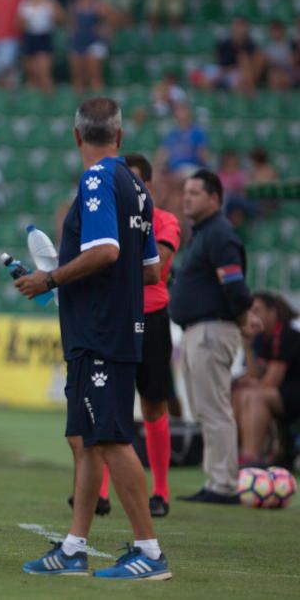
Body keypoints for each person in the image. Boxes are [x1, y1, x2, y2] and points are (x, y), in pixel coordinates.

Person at [16, 97, 170, 579]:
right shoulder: (138, 187)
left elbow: (104, 251)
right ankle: (74, 546)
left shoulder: (98, 178)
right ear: (120, 137)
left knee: (110, 438)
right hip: (112, 325)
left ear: (77, 136)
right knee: (87, 439)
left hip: (100, 331)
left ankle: (149, 551)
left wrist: (52, 279)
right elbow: (149, 271)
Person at [98, 154, 181, 518]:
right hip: (115, 316)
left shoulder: (164, 221)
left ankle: (159, 491)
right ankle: (101, 492)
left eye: (133, 184)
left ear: (146, 185)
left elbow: (157, 267)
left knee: (153, 404)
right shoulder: (107, 222)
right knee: (109, 402)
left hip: (151, 318)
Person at [170, 170, 259, 503]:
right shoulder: (205, 234)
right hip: (198, 331)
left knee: (215, 407)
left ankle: (223, 484)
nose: (186, 197)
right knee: (205, 408)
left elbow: (234, 285)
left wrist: (243, 313)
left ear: (214, 198)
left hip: (212, 329)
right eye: (185, 192)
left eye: (195, 192)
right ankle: (215, 480)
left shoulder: (220, 234)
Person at [236, 293, 300, 466]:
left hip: (293, 393)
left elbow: (271, 381)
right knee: (240, 393)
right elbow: (254, 374)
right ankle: (240, 452)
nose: (253, 316)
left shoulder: (286, 335)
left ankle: (251, 457)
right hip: (278, 394)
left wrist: (252, 381)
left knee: (255, 396)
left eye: (257, 310)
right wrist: (247, 347)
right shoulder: (260, 338)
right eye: (250, 311)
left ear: (272, 313)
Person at [19, 0, 61, 93]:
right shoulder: (25, 4)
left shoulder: (50, 2)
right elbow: (20, 24)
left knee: (44, 73)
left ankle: (50, 100)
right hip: (30, 37)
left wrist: (54, 12)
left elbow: (60, 19)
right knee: (32, 74)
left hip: (44, 37)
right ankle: (34, 104)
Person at [67, 0, 110, 95]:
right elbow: (71, 25)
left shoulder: (97, 5)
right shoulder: (73, 6)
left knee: (94, 77)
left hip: (93, 42)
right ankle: (80, 104)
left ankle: (100, 101)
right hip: (78, 42)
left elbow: (108, 20)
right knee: (78, 77)